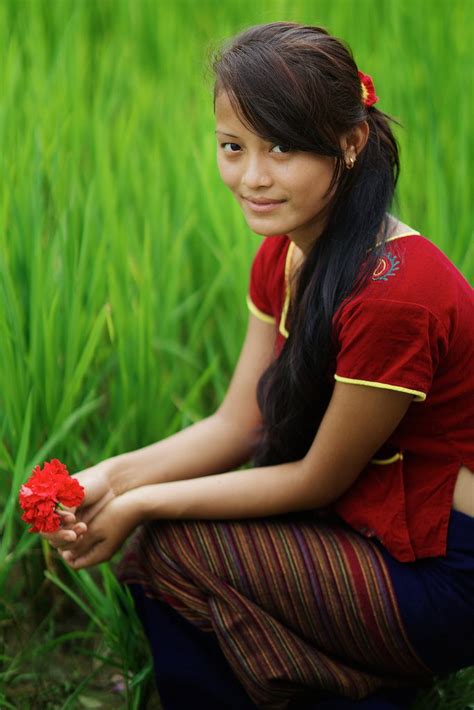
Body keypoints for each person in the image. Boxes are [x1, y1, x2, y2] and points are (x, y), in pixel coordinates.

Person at [42, 22, 474, 710]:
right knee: (176, 547)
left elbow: (314, 478)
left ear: (351, 144)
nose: (252, 177)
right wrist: (101, 481)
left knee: (168, 551)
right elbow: (238, 425)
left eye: (282, 147)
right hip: (365, 528)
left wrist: (139, 503)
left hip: (439, 572)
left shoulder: (397, 293)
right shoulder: (287, 254)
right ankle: (354, 693)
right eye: (233, 147)